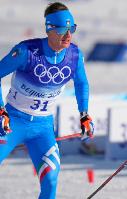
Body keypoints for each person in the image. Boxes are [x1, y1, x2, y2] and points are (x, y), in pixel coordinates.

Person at [0, 2, 94, 199]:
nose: (68, 36)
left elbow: (81, 84)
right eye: (62, 30)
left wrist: (84, 114)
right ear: (49, 29)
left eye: (72, 29)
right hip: (12, 123)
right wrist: (1, 110)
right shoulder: (27, 51)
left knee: (51, 180)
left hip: (43, 128)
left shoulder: (75, 55)